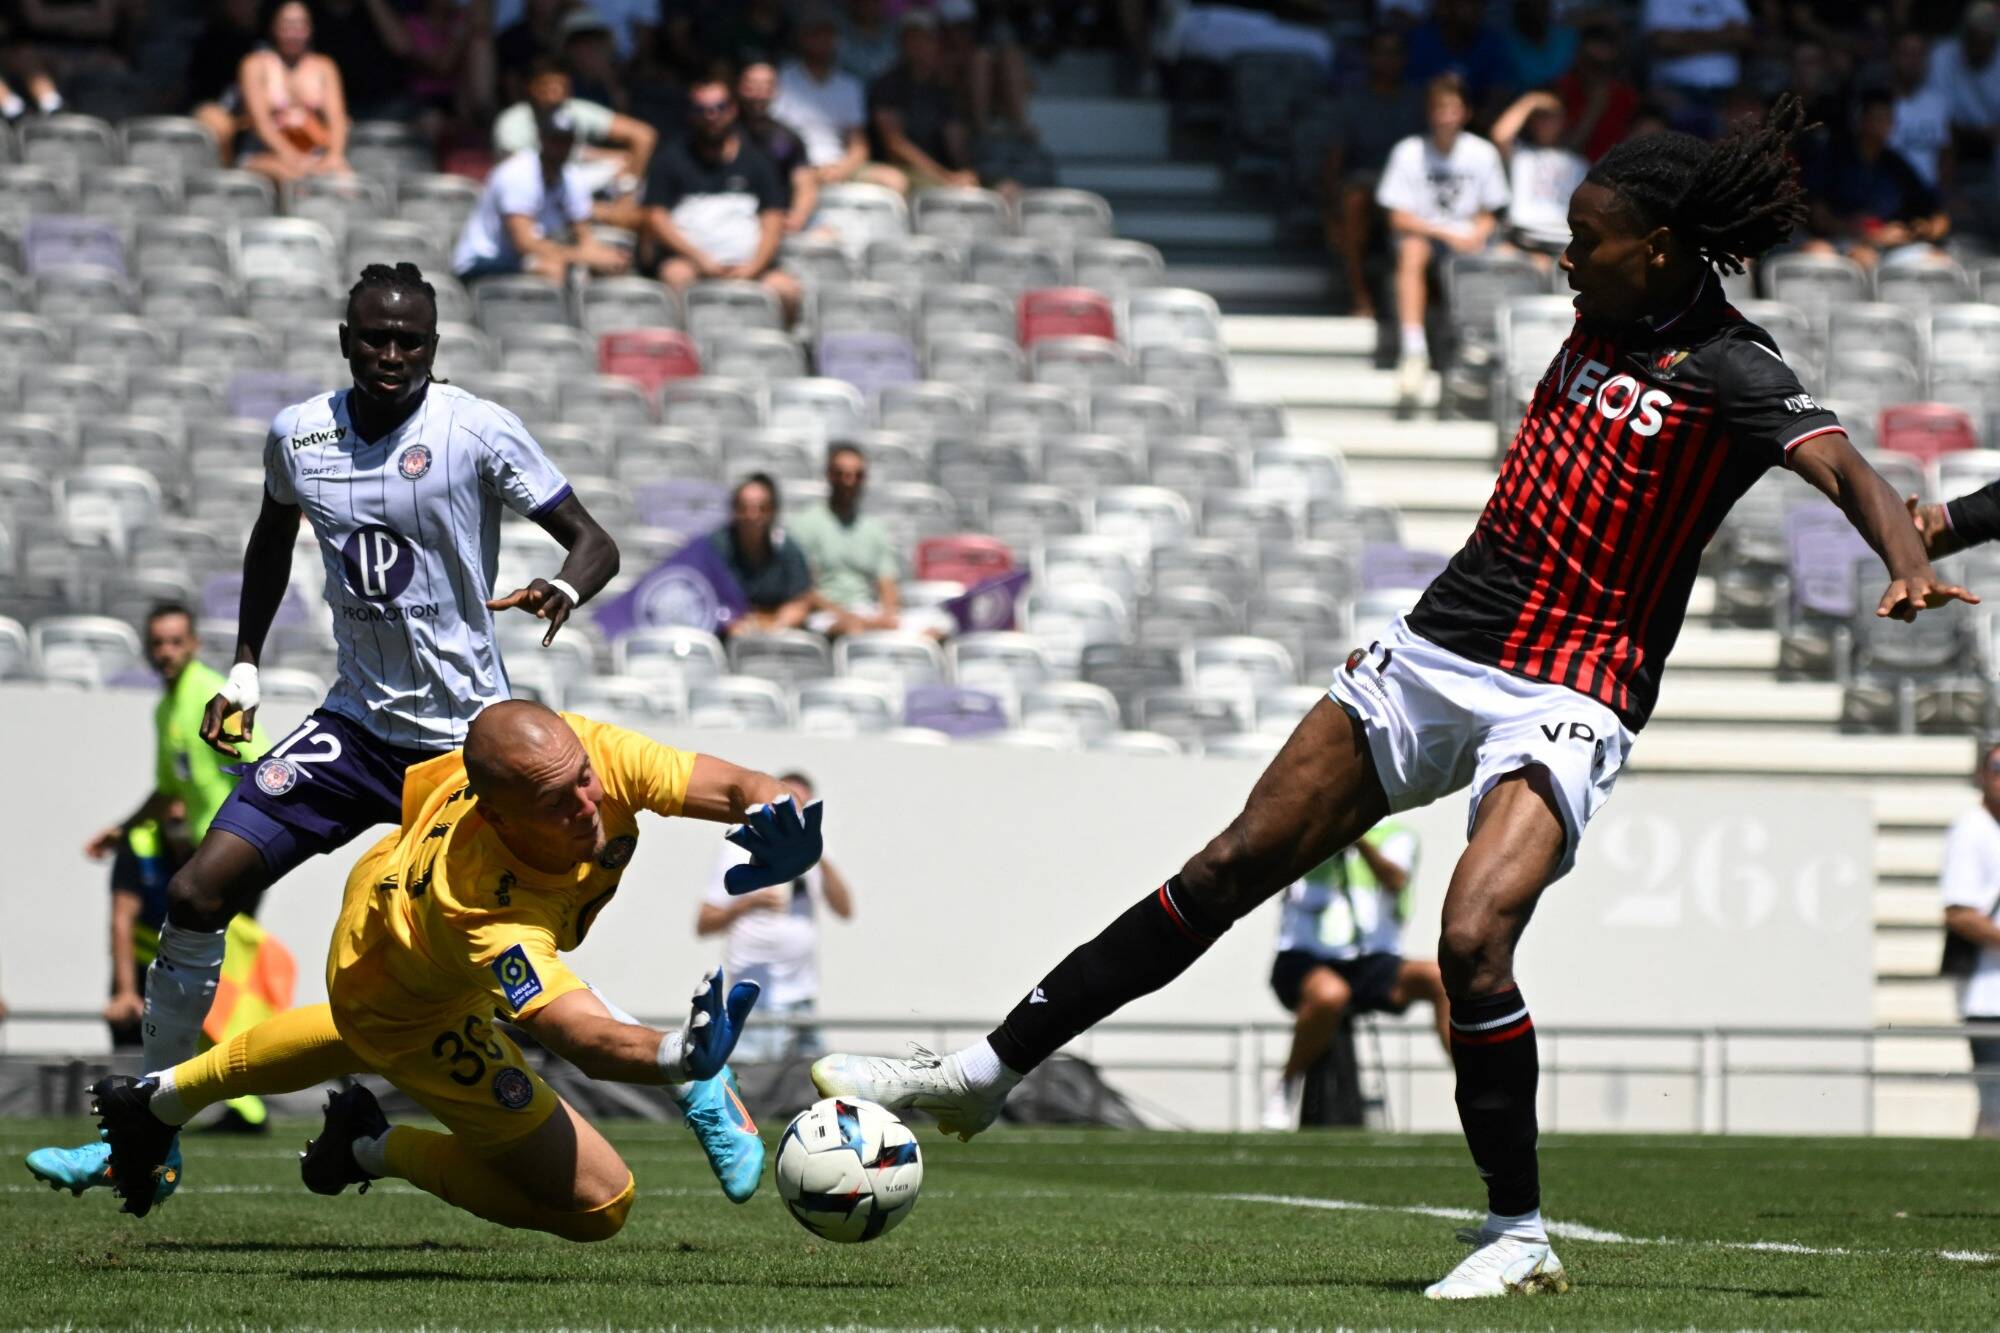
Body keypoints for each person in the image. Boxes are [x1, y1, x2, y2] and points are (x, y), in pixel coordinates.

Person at [810, 99, 1977, 1300]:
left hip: (1572, 685)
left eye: (1588, 236)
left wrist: (1899, 556)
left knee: (1472, 940)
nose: (1564, 255)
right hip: (1436, 647)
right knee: (1226, 867)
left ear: (1664, 248)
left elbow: (1847, 468)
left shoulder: (1734, 366)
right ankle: (984, 1070)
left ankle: (1514, 1232)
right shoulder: (1597, 314)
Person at [23, 262, 622, 1201]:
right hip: (353, 726)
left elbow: (595, 540)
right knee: (193, 888)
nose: (392, 354)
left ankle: (687, 1078)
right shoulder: (299, 433)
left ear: (434, 347)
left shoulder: (475, 429)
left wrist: (565, 586)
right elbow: (272, 536)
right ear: (346, 339)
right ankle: (142, 1125)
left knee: (504, 957)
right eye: (375, 338)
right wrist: (249, 665)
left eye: (410, 341)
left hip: (461, 747)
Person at [83, 701, 825, 1222]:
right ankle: (372, 1146)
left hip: (394, 896)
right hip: (398, 993)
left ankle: (157, 1097)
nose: (588, 803)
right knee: (602, 1202)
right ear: (499, 816)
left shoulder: (588, 758)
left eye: (584, 777)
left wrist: (782, 819)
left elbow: (739, 786)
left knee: (363, 1030)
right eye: (558, 799)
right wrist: (676, 1054)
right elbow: (577, 1037)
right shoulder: (483, 909)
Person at [1262, 819, 1448, 1131]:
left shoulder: (1397, 836)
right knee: (1329, 994)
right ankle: (1287, 1085)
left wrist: (1357, 840)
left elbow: (1395, 879)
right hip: (1304, 956)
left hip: (1369, 960)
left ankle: (1477, 1091)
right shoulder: (1306, 830)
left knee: (1441, 979)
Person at [698, 770, 852, 1064]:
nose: (794, 814)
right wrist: (747, 904)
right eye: (788, 805)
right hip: (755, 998)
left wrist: (818, 856)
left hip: (801, 997)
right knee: (750, 1085)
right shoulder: (738, 849)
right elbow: (704, 923)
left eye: (801, 808)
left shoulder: (817, 850)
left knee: (815, 1085)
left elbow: (844, 909)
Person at [1375, 74, 1509, 413]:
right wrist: (1447, 234)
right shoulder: (1408, 152)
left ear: (1465, 112)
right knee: (1412, 250)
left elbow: (1491, 211)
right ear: (1429, 113)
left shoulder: (1482, 152)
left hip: (1469, 239)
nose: (1446, 115)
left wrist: (1478, 233)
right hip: (1427, 236)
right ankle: (1413, 350)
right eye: (1440, 108)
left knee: (1509, 257)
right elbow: (1397, 217)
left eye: (1453, 108)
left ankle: (1481, 352)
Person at [643, 75, 801, 321]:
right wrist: (698, 258)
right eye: (702, 109)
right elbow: (656, 216)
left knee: (787, 290)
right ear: (690, 114)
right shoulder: (670, 159)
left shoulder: (758, 160)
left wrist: (755, 266)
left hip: (751, 266)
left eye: (719, 108)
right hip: (691, 263)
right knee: (676, 277)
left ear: (733, 110)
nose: (711, 116)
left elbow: (772, 217)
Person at [1318, 27, 1425, 321]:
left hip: (1413, 186)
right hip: (1367, 181)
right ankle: (1360, 295)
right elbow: (1334, 159)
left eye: (1394, 53)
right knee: (1353, 200)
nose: (1387, 60)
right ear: (1369, 58)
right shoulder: (1352, 101)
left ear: (1403, 59)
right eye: (1380, 52)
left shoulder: (1417, 99)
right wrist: (1331, 211)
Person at [453, 108, 631, 282]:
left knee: (609, 267)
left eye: (566, 140)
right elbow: (524, 244)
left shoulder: (571, 178)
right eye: (555, 140)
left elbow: (584, 237)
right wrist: (583, 256)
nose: (560, 147)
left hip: (523, 260)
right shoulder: (517, 173)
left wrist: (606, 257)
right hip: (484, 260)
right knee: (551, 269)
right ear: (541, 139)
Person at [492, 58, 658, 226]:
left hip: (570, 184)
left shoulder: (573, 110)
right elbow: (519, 174)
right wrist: (592, 154)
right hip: (533, 195)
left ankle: (615, 211)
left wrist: (627, 193)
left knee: (625, 163)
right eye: (546, 86)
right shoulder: (513, 121)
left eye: (559, 86)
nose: (553, 92)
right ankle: (597, 212)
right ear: (531, 87)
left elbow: (643, 135)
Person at [1800, 90, 1951, 270]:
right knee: (1855, 259)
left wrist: (1917, 230)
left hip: (1892, 247)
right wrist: (1858, 231)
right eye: (1877, 118)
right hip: (1842, 244)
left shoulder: (1896, 164)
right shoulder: (1832, 158)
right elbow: (1818, 215)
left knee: (1940, 262)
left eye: (1888, 119)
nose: (1883, 126)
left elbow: (1936, 214)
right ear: (1862, 121)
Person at [774, 6, 908, 196]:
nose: (821, 40)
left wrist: (841, 169)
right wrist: (802, 166)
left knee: (895, 180)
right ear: (801, 38)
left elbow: (859, 145)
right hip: (797, 167)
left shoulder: (849, 85)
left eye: (827, 33)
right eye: (814, 34)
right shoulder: (783, 80)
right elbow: (775, 138)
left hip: (839, 164)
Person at [791, 443, 920, 638]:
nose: (848, 482)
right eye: (841, 474)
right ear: (829, 475)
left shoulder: (875, 529)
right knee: (853, 630)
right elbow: (804, 589)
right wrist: (843, 615)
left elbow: (887, 583)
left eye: (856, 475)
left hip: (867, 610)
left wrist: (887, 615)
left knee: (932, 631)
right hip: (825, 614)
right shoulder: (805, 524)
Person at [1939, 739, 2000, 1140]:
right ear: (1982, 776)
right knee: (1996, 1106)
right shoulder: (1972, 830)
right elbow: (1959, 913)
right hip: (1989, 994)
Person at [233, 0, 352, 184]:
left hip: (314, 151)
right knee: (292, 178)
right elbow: (259, 122)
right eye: (287, 25)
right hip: (265, 153)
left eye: (300, 25)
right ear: (274, 27)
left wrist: (334, 155)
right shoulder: (254, 65)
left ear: (310, 28)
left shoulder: (324, 67)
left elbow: (337, 118)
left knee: (344, 178)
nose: (294, 33)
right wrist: (291, 156)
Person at [867, 12, 977, 191]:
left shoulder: (941, 89)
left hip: (942, 174)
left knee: (1007, 188)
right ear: (901, 44)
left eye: (925, 39)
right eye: (912, 38)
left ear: (936, 44)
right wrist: (944, 176)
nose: (918, 45)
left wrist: (966, 172)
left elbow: (955, 138)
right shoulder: (887, 85)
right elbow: (895, 145)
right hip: (905, 171)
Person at [710, 473, 815, 638]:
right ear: (734, 510)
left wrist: (778, 625)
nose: (752, 515)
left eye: (761, 508)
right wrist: (729, 623)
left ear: (772, 511)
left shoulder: (786, 548)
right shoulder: (715, 547)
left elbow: (801, 600)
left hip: (777, 635)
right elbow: (703, 597)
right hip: (726, 634)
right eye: (744, 508)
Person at [1492, 89, 1588, 267]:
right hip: (1522, 237)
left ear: (1563, 121)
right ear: (1531, 122)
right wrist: (1531, 101)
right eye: (1541, 118)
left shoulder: (1578, 163)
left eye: (1553, 118)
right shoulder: (1519, 155)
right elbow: (1500, 134)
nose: (1546, 124)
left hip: (1563, 240)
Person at [1640, 0, 1751, 134]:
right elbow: (1663, 43)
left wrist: (1683, 39)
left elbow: (1743, 36)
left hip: (1727, 93)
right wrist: (1722, 36)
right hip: (1676, 93)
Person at [736, 62, 817, 235]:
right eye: (753, 85)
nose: (759, 93)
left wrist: (798, 216)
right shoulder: (719, 135)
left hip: (776, 224)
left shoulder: (786, 138)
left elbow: (805, 183)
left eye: (766, 86)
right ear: (740, 87)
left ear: (775, 91)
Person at [1928, 2, 2000, 169]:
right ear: (1965, 34)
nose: (1979, 46)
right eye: (1975, 37)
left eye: (1985, 39)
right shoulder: (1941, 55)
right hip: (1953, 141)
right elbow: (1936, 115)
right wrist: (1979, 134)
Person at [1554, 21, 1639, 162]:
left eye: (1602, 67)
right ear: (1578, 57)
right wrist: (1594, 109)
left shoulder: (1627, 97)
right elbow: (1563, 150)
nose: (1596, 74)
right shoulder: (1561, 90)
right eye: (1592, 63)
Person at [1404, 0, 1513, 109]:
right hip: (1425, 119)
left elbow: (1500, 90)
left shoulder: (1491, 42)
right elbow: (1412, 91)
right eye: (1464, 4)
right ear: (1446, 7)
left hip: (1476, 120)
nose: (1472, 11)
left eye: (1477, 5)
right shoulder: (1421, 39)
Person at [1890, 32, 1954, 192]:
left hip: (1929, 194)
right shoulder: (1878, 105)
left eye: (1918, 54)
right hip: (1888, 195)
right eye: (1906, 53)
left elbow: (1946, 154)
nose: (1912, 61)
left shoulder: (1939, 103)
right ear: (1893, 57)